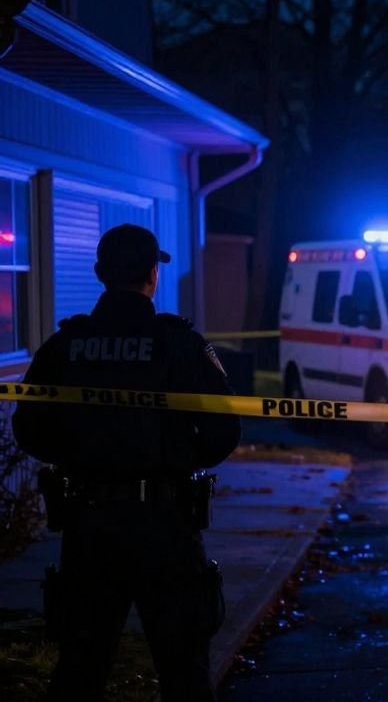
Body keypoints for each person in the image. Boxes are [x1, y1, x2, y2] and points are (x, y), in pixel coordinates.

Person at [13, 224, 241, 701]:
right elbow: (224, 428)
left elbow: (28, 428)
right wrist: (173, 460)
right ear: (153, 274)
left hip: (89, 525)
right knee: (184, 674)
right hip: (166, 525)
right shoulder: (178, 343)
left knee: (80, 669)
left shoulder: (66, 345)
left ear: (99, 273)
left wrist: (82, 458)